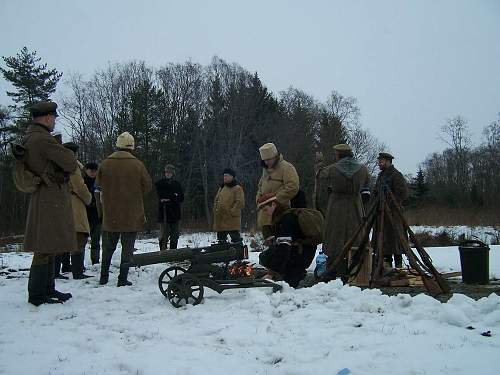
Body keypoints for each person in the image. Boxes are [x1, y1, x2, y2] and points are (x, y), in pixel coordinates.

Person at [22, 101, 77, 305]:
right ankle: (38, 294)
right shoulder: (42, 140)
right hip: (49, 197)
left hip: (47, 195)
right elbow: (70, 163)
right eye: (53, 118)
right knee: (44, 246)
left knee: (48, 244)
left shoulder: (33, 137)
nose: (54, 121)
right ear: (46, 118)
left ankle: (47, 289)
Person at [97, 132, 152, 286]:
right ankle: (122, 278)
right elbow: (147, 186)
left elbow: (98, 184)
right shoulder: (137, 164)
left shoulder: (105, 163)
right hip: (131, 214)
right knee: (127, 249)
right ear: (131, 147)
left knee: (108, 248)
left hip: (110, 213)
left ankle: (103, 277)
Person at [320, 144, 371, 282]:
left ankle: (332, 269)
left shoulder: (332, 169)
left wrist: (318, 165)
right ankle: (355, 267)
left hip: (336, 205)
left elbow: (320, 176)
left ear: (339, 154)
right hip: (355, 204)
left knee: (334, 236)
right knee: (356, 235)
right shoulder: (362, 169)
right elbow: (367, 183)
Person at [257, 193, 318, 288]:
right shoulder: (284, 216)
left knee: (267, 257)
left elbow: (284, 248)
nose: (266, 213)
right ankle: (293, 275)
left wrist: (272, 273)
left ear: (273, 205)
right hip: (302, 253)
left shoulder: (285, 220)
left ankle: (297, 278)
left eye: (266, 210)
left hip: (299, 255)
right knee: (265, 256)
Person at [372, 152, 409, 270]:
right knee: (383, 241)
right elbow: (376, 191)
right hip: (381, 214)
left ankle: (398, 267)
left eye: (381, 161)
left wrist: (390, 203)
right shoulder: (381, 176)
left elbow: (402, 193)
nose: (379, 163)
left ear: (388, 162)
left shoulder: (396, 175)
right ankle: (386, 267)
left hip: (393, 214)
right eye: (379, 161)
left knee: (395, 241)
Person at [256, 143, 299, 238]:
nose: (267, 162)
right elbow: (260, 187)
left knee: (281, 244)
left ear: (275, 156)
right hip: (265, 215)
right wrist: (259, 199)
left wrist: (274, 198)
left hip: (281, 213)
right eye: (265, 160)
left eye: (269, 159)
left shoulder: (287, 167)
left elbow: (293, 187)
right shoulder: (265, 171)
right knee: (269, 244)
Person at [63, 142, 93, 279]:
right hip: (74, 203)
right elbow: (80, 187)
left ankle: (63, 267)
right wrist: (89, 198)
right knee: (79, 236)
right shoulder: (72, 167)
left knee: (63, 237)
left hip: (62, 203)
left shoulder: (58, 164)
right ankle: (77, 271)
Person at [155, 164, 184, 250]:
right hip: (164, 213)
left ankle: (173, 253)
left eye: (170, 172)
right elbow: (160, 195)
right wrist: (173, 196)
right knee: (163, 235)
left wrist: (171, 197)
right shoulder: (160, 183)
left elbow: (181, 198)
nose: (168, 174)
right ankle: (163, 253)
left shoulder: (177, 184)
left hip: (175, 213)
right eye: (166, 172)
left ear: (173, 173)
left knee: (175, 235)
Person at [213, 168, 245, 243]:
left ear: (232, 177)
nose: (225, 177)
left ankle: (239, 252)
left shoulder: (237, 188)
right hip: (220, 219)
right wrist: (215, 210)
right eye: (224, 176)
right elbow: (217, 200)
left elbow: (240, 202)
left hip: (231, 219)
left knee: (235, 239)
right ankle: (223, 252)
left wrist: (232, 211)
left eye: (227, 176)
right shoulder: (222, 187)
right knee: (221, 239)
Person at [83, 162, 102, 264]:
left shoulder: (100, 182)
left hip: (97, 215)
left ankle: (95, 260)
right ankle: (79, 262)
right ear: (86, 170)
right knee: (82, 241)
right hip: (85, 214)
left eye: (95, 171)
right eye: (91, 171)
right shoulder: (83, 181)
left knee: (96, 240)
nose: (93, 173)